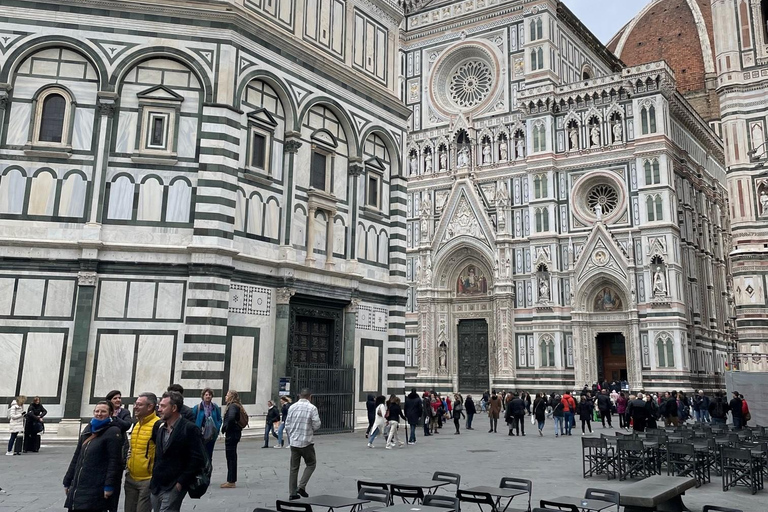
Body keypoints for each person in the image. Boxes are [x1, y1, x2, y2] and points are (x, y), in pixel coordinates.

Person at [149, 391, 206, 512]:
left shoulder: (189, 428)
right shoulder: (159, 427)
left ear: (174, 408)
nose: (159, 409)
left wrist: (180, 483)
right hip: (157, 485)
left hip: (174, 485)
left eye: (163, 406)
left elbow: (197, 459)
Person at [63, 400, 123, 512]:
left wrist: (109, 486)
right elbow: (77, 456)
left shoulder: (113, 432)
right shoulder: (88, 429)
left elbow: (114, 462)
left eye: (103, 411)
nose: (99, 414)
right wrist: (67, 480)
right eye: (97, 411)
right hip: (78, 486)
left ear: (110, 414)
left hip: (96, 487)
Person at [125, 392, 160, 512]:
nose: (135, 407)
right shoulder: (136, 424)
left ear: (150, 407)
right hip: (131, 478)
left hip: (147, 480)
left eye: (139, 405)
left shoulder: (158, 425)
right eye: (136, 404)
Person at [285, 388, 321, 500]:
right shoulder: (312, 408)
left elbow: (287, 424)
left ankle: (292, 493)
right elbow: (316, 425)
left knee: (294, 468)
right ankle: (301, 486)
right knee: (311, 464)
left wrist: (291, 435)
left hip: (294, 442)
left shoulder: (292, 407)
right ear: (310, 396)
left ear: (299, 396)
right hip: (306, 442)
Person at [220, 390, 244, 488]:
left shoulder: (233, 406)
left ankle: (231, 481)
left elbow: (231, 418)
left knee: (230, 457)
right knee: (232, 456)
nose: (225, 397)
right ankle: (231, 480)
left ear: (231, 396)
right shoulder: (236, 405)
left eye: (227, 395)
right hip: (235, 433)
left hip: (232, 434)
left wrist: (225, 428)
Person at [192, 388, 222, 462]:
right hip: (201, 433)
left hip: (212, 434)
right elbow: (192, 419)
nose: (208, 396)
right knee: (201, 452)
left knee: (209, 452)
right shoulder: (197, 407)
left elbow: (219, 419)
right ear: (203, 396)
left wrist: (217, 428)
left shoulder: (215, 407)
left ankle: (208, 467)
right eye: (206, 395)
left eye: (210, 395)